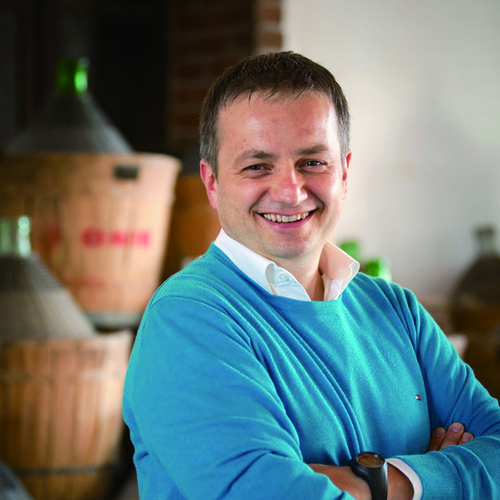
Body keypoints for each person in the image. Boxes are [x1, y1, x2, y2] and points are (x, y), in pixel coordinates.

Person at [122, 52, 500, 500]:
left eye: (313, 162)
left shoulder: (397, 310)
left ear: (344, 172)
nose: (290, 191)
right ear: (212, 182)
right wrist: (444, 477)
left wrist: (387, 482)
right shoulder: (186, 319)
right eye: (257, 166)